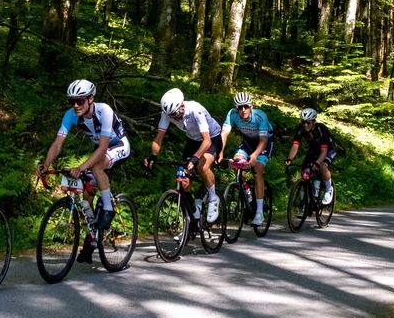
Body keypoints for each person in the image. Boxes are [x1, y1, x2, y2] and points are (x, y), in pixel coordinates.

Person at [36, 79, 130, 262]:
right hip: (102, 151)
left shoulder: (105, 111)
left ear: (91, 99)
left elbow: (102, 149)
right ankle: (91, 240)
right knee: (86, 196)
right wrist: (46, 166)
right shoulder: (71, 115)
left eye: (80, 100)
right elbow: (57, 144)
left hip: (119, 146)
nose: (76, 105)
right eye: (72, 101)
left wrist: (80, 167)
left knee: (95, 166)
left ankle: (109, 210)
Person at [143, 87, 222, 223]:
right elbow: (159, 138)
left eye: (175, 114)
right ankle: (192, 215)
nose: (174, 118)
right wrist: (153, 156)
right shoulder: (167, 113)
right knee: (183, 178)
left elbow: (207, 140)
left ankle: (213, 198)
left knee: (201, 167)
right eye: (171, 115)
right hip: (193, 140)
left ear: (182, 105)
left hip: (212, 138)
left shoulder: (195, 110)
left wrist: (196, 158)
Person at [218, 91, 275, 226]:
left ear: (251, 106)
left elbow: (263, 140)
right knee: (237, 164)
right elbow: (224, 134)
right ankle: (248, 194)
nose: (243, 110)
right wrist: (219, 152)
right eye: (240, 107)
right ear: (236, 108)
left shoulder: (260, 116)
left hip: (264, 142)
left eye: (246, 107)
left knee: (257, 170)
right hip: (248, 141)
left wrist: (255, 156)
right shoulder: (232, 114)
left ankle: (259, 213)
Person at [284, 107, 337, 205]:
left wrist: (317, 163)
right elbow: (295, 145)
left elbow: (324, 151)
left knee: (322, 166)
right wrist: (289, 159)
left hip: (329, 149)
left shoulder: (322, 129)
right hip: (314, 149)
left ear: (314, 122)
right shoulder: (301, 128)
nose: (305, 125)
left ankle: (329, 189)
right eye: (303, 122)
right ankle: (304, 205)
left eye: (308, 122)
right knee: (305, 172)